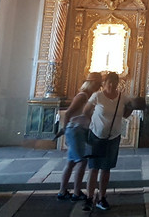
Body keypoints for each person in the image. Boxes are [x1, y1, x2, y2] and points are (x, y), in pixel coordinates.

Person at [82, 72, 130, 212]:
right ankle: (89, 197)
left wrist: (133, 107)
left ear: (117, 83)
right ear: (104, 83)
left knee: (106, 169)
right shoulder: (97, 96)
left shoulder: (122, 97)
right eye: (109, 82)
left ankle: (102, 197)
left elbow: (126, 113)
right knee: (94, 168)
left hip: (113, 137)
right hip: (96, 136)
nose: (112, 85)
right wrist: (93, 123)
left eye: (114, 82)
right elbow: (86, 111)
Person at [57, 71, 102, 201]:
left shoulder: (90, 97)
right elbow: (69, 113)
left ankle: (62, 191)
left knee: (71, 162)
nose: (99, 87)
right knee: (82, 162)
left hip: (79, 130)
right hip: (76, 130)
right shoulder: (82, 96)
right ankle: (76, 193)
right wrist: (65, 130)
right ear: (91, 83)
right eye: (98, 84)